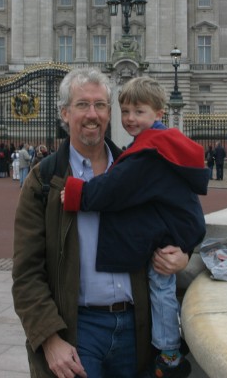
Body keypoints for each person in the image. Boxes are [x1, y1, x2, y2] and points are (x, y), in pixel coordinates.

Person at [12, 68, 189, 378]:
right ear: (65, 113)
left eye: (100, 105)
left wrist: (182, 253)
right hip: (78, 330)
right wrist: (49, 339)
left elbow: (175, 218)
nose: (92, 114)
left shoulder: (137, 169)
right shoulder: (42, 181)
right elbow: (26, 273)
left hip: (137, 327)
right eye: (82, 105)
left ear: (110, 113)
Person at [62, 76, 209, 378]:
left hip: (173, 231)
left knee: (161, 284)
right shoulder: (156, 143)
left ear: (158, 114)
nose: (129, 118)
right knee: (162, 284)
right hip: (174, 224)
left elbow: (116, 188)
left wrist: (79, 193)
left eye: (138, 112)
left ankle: (169, 351)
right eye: (125, 111)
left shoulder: (148, 150)